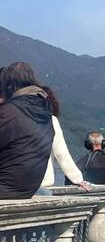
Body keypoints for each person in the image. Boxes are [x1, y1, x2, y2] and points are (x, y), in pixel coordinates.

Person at [0, 62, 54, 199]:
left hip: (4, 188)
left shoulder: (9, 112)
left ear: (8, 85)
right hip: (27, 190)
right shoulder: (46, 115)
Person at [39, 86, 91, 193]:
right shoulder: (50, 120)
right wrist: (77, 179)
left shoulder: (15, 118)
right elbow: (61, 153)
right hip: (41, 183)